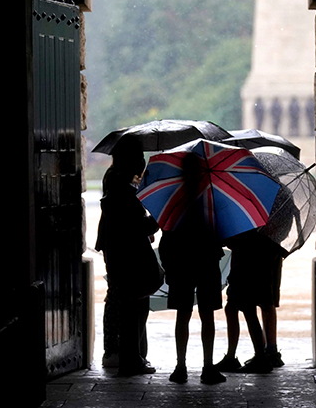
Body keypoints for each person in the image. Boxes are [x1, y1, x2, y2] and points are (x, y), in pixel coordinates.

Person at [158, 153, 227, 384]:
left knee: (183, 315)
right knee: (207, 315)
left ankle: (180, 366)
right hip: (207, 260)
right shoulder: (212, 197)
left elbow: (166, 232)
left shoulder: (172, 197)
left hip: (181, 262)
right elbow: (221, 230)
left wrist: (168, 264)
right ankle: (208, 366)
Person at [95, 137, 159, 376]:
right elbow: (140, 226)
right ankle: (131, 358)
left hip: (117, 252)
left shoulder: (114, 182)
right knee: (133, 305)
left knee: (125, 302)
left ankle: (127, 355)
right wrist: (158, 217)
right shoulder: (124, 190)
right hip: (130, 256)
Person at [216, 229, 285, 373]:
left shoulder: (246, 227)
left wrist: (227, 239)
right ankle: (238, 356)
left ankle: (258, 357)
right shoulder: (260, 226)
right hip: (252, 263)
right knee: (235, 308)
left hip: (245, 265)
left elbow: (236, 241)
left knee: (246, 309)